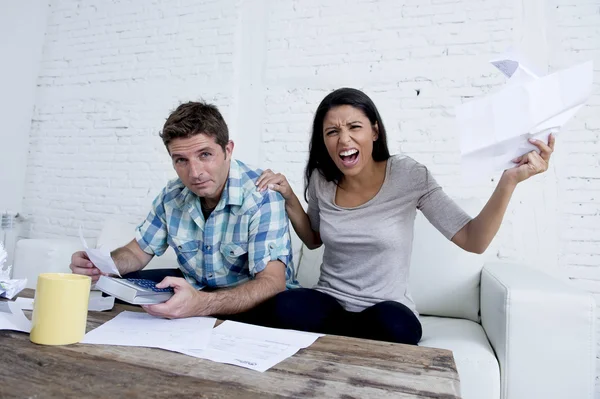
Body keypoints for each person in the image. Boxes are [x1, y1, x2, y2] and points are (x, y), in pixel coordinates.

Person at [256, 87, 555, 345]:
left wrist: (509, 181)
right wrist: (290, 196)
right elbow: (313, 239)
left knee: (397, 326)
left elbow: (473, 239)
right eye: (332, 132)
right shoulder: (323, 180)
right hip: (330, 302)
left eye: (354, 127)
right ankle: (348, 340)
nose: (344, 139)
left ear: (374, 130)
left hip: (384, 310)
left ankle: (335, 340)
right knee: (281, 307)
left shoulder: (408, 175)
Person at [70, 101, 298, 321]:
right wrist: (102, 265)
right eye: (181, 160)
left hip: (249, 297)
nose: (195, 172)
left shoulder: (261, 194)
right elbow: (137, 252)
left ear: (228, 150)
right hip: (196, 286)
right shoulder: (172, 195)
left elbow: (271, 281)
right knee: (122, 284)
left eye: (205, 155)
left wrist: (202, 304)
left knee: (291, 310)